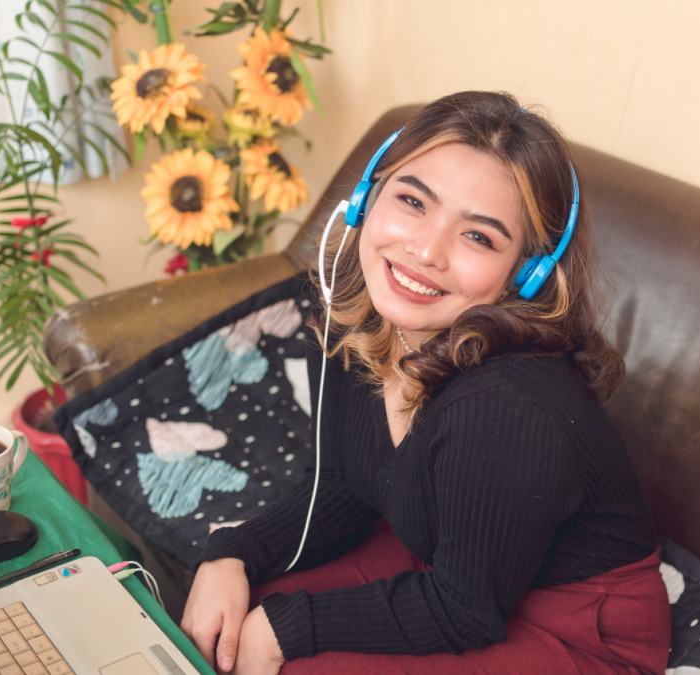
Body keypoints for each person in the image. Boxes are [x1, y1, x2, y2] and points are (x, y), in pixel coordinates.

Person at [180, 91, 670, 674]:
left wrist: (290, 628)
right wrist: (232, 555)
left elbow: (467, 608)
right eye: (413, 201)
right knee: (228, 619)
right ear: (367, 197)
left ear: (527, 274)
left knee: (290, 658)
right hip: (448, 555)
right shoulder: (359, 309)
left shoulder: (503, 406)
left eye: (479, 237)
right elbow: (340, 485)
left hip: (572, 627)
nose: (424, 251)